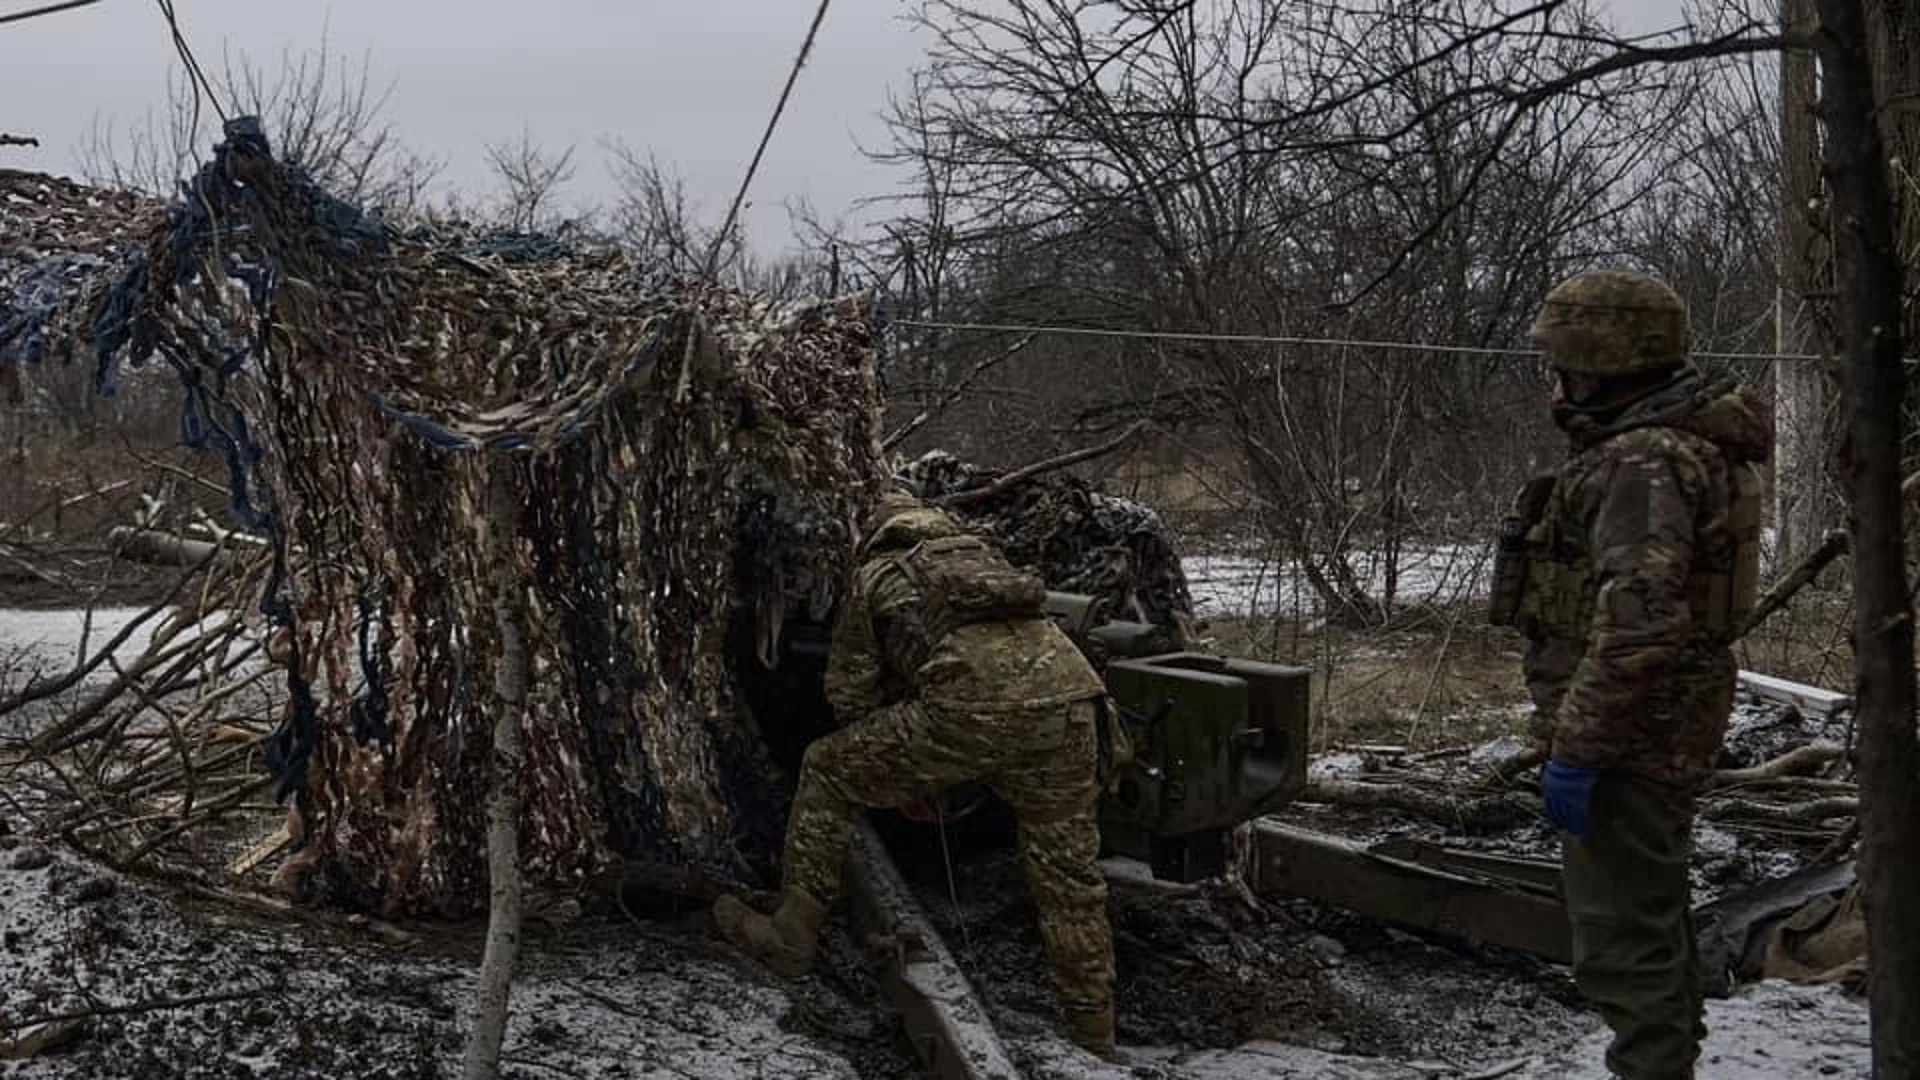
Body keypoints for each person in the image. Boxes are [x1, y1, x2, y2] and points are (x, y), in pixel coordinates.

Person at [713, 488, 1120, 1058]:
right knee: (1071, 885)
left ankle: (791, 935)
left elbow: (849, 692)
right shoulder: (985, 559)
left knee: (827, 769)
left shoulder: (878, 571)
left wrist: (903, 769)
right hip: (1075, 706)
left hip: (968, 710)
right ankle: (1095, 1033)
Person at [1495, 268, 1770, 1080]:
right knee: (1647, 922)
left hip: (1635, 735)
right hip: (1650, 726)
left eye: (1562, 357)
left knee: (1623, 942)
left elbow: (1639, 623)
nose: (1553, 375)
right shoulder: (1659, 447)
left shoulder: (1645, 462)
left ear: (1600, 360)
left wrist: (1578, 747)